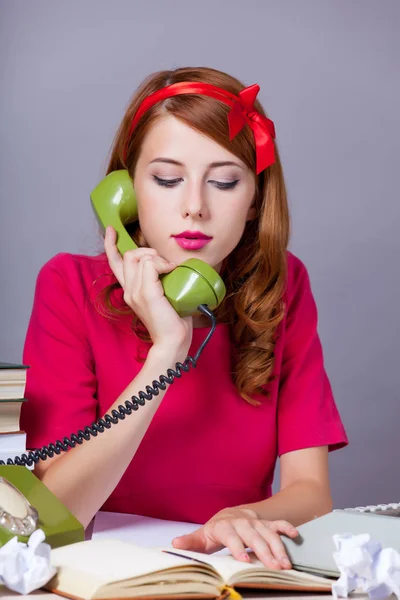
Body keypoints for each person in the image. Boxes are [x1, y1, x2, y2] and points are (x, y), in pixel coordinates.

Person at [21, 66, 348, 570]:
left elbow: (312, 493)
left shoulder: (283, 284)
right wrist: (165, 354)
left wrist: (242, 516)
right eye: (168, 179)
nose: (194, 207)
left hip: (223, 570)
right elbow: (56, 514)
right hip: (100, 573)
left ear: (255, 198)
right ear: (125, 190)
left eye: (223, 181)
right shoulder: (67, 287)